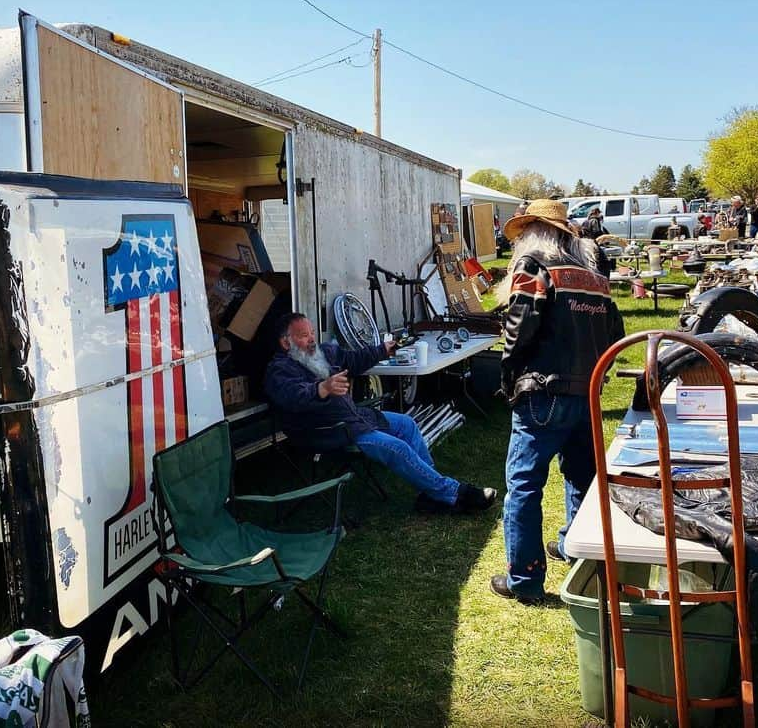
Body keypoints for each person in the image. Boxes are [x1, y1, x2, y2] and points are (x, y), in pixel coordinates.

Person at [489, 199, 626, 604]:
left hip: (542, 392)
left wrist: (507, 376)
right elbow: (616, 331)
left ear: (534, 232)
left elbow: (519, 327)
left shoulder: (533, 265)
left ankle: (524, 580)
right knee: (582, 478)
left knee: (524, 486)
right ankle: (577, 552)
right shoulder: (592, 273)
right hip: (586, 392)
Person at [264, 313, 496, 514]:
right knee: (397, 448)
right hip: (327, 431)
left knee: (407, 424)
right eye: (304, 335)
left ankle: (432, 494)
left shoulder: (323, 352)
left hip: (355, 418)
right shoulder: (279, 371)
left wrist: (383, 350)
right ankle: (454, 493)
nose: (312, 338)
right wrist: (322, 388)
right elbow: (293, 396)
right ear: (286, 343)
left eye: (312, 332)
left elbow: (353, 360)